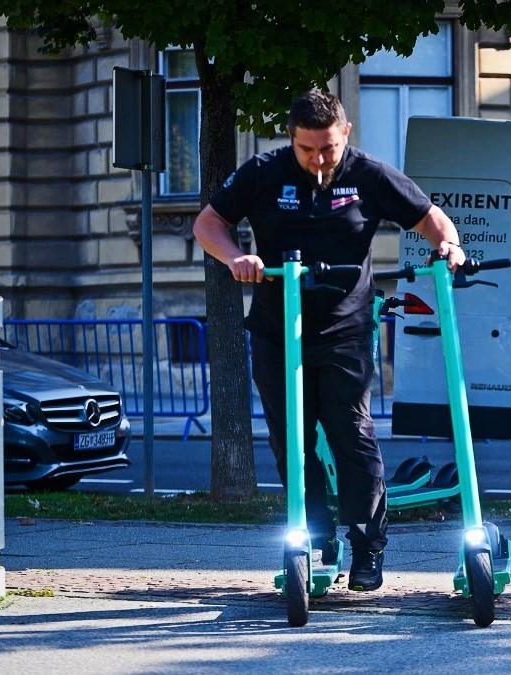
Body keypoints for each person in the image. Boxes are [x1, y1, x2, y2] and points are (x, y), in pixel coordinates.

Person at [193, 90, 466, 590]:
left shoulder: (370, 175)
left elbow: (431, 217)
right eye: (307, 150)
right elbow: (208, 223)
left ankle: (368, 546)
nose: (318, 160)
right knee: (291, 442)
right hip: (278, 329)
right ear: (291, 140)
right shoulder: (263, 172)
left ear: (346, 135)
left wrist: (447, 244)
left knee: (350, 435)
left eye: (329, 149)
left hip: (345, 328)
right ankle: (316, 539)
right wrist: (236, 257)